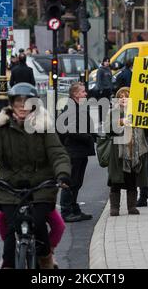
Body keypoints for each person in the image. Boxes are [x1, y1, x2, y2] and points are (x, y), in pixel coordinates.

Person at [0, 83, 71, 269]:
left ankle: (46, 261)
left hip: (40, 187)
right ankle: (9, 263)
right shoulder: (2, 129)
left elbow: (58, 154)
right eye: (18, 102)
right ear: (11, 104)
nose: (22, 106)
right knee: (12, 227)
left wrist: (62, 174)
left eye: (27, 102)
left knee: (38, 223)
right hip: (10, 188)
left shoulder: (44, 127)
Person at [106, 87, 148, 216]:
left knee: (132, 181)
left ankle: (132, 207)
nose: (123, 98)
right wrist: (120, 121)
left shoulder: (138, 112)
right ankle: (114, 208)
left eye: (126, 96)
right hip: (117, 153)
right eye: (121, 96)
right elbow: (107, 128)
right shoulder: (113, 112)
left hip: (134, 152)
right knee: (116, 181)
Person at [59, 82, 95, 222]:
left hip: (80, 151)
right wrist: (88, 137)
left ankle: (74, 208)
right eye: (83, 92)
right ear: (75, 94)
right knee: (70, 182)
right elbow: (69, 130)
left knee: (77, 182)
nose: (85, 94)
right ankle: (66, 211)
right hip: (74, 151)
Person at [96, 57, 113, 123]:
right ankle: (100, 119)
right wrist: (100, 90)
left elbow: (110, 80)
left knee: (106, 106)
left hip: (108, 90)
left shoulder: (109, 69)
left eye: (108, 61)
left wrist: (111, 89)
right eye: (106, 61)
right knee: (101, 105)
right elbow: (98, 81)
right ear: (103, 62)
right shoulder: (100, 70)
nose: (107, 63)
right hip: (102, 90)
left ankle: (104, 118)